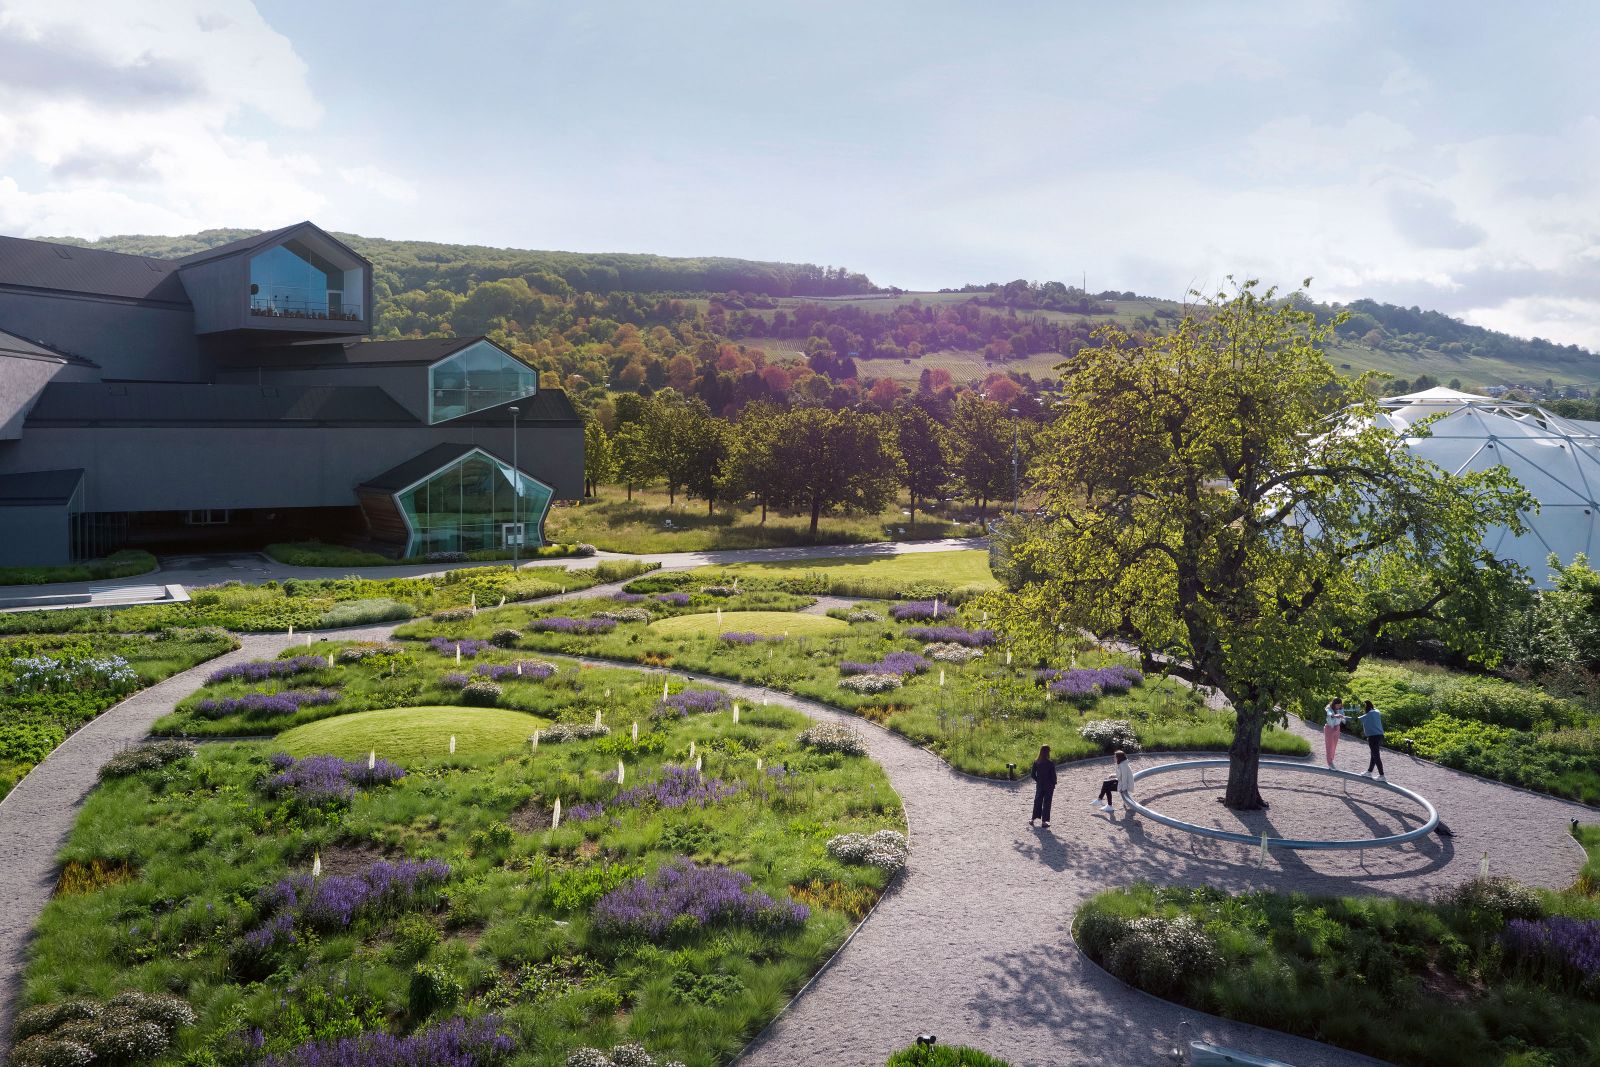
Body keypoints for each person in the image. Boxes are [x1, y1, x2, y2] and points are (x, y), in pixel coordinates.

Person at [1029, 745, 1057, 827]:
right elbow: (1053, 776)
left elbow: (1032, 775)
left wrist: (1038, 781)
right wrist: (1054, 783)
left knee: (1037, 802)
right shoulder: (1050, 763)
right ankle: (1044, 821)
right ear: (1048, 752)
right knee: (1047, 803)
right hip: (1049, 786)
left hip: (1040, 786)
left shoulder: (1036, 762)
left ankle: (1033, 819)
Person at [1357, 700, 1386, 780]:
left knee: (1376, 756)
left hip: (1373, 737)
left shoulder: (1368, 715)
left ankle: (1382, 775)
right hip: (1379, 736)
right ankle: (1369, 772)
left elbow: (1356, 719)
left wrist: (1343, 717)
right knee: (1374, 755)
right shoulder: (1376, 711)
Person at [1323, 697, 1347, 768]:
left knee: (1334, 746)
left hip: (1337, 728)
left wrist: (1343, 717)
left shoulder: (1341, 709)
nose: (1339, 706)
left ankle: (1331, 761)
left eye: (1340, 705)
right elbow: (1329, 713)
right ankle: (1330, 763)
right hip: (1329, 728)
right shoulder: (1329, 708)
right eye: (1338, 705)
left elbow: (1344, 719)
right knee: (1329, 746)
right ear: (1334, 704)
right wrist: (1335, 715)